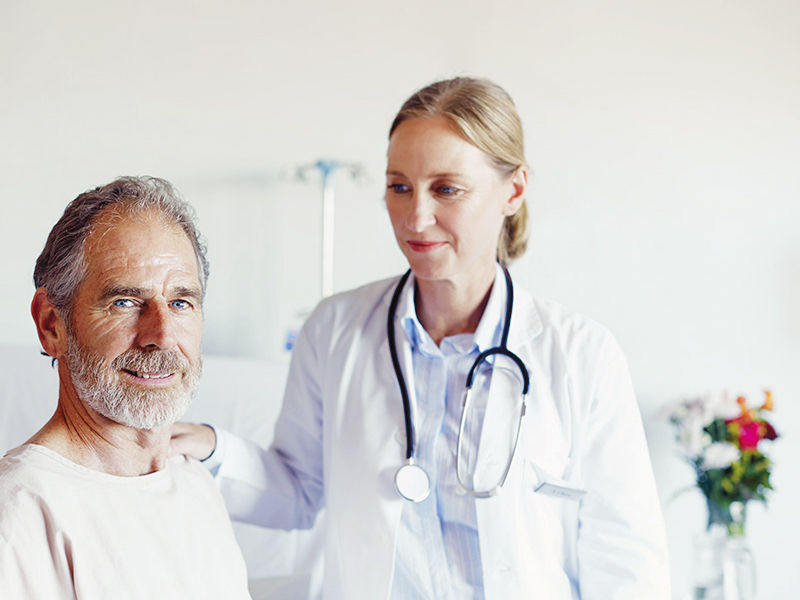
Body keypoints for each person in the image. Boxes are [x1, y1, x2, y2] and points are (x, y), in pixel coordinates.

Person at [172, 77, 671, 599]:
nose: (416, 217)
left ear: (513, 190)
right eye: (399, 186)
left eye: (446, 188)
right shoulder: (335, 329)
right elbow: (299, 491)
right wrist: (211, 447)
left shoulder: (582, 354)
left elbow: (626, 563)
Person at [0, 177, 251, 599]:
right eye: (124, 302)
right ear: (51, 325)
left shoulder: (193, 481)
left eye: (181, 302)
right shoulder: (23, 510)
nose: (161, 334)